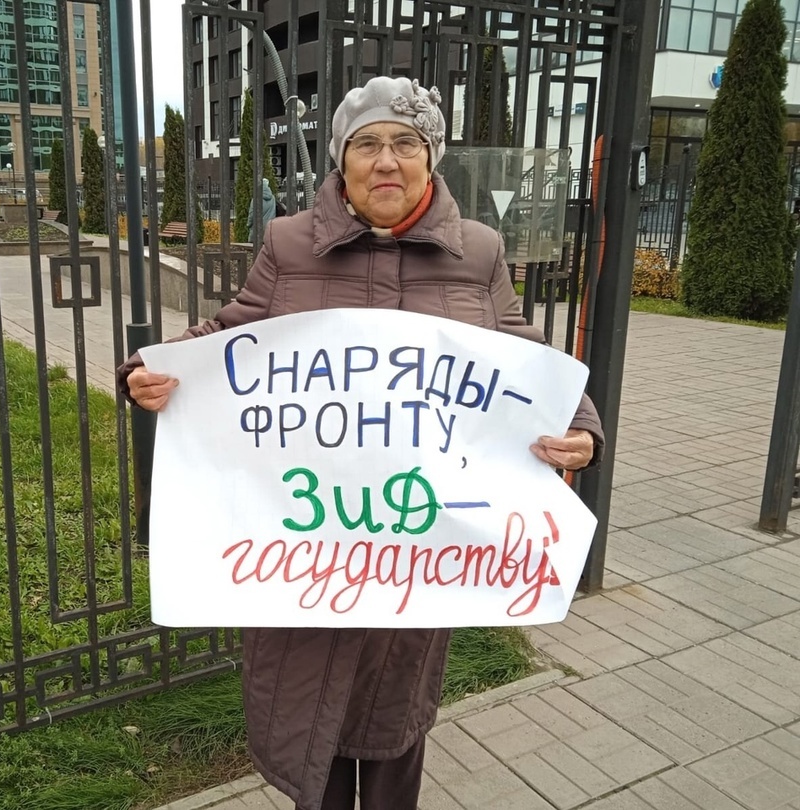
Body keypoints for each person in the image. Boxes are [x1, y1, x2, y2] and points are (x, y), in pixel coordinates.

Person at [118, 76, 604, 810]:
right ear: (341, 161)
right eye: (366, 143)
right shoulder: (289, 244)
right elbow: (230, 332)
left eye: (405, 143)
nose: (386, 160)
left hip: (416, 553)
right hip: (306, 551)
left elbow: (525, 359)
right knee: (309, 738)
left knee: (391, 733)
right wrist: (151, 370)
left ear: (431, 157)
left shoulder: (478, 252)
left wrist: (581, 429)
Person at [247, 177, 278, 243]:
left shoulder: (256, 198)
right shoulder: (273, 198)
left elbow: (252, 213)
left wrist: (249, 224)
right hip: (269, 228)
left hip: (257, 228)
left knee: (255, 246)